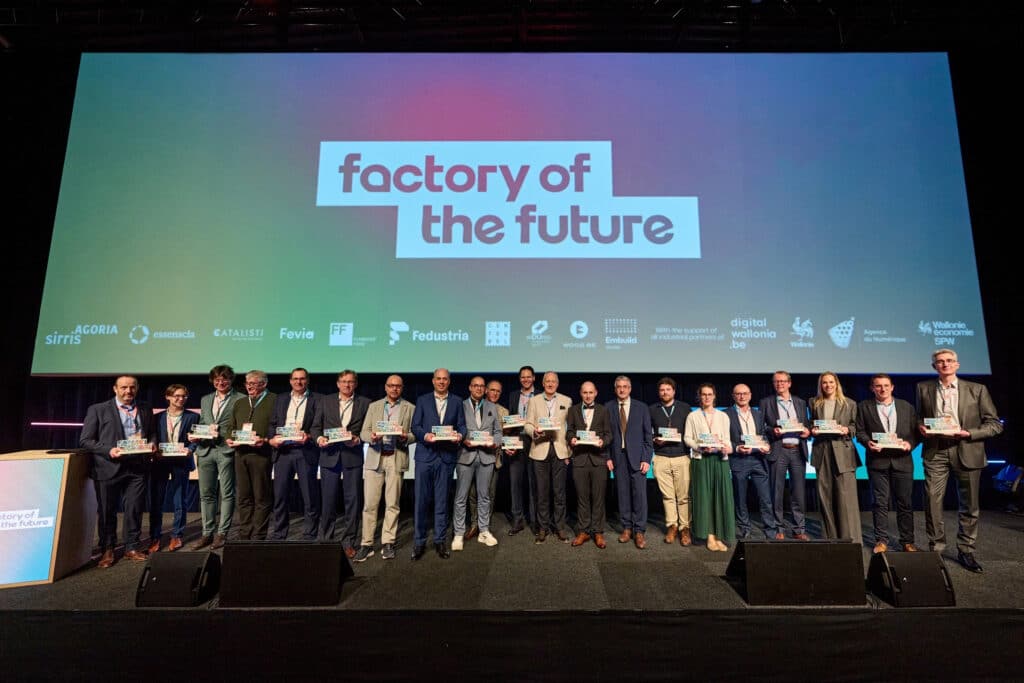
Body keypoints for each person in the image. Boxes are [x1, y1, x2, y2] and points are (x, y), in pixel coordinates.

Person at [916, 348, 1003, 573]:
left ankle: (966, 549)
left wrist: (969, 433)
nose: (945, 364)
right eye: (940, 361)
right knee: (932, 500)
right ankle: (936, 549)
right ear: (934, 366)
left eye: (949, 360)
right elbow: (919, 418)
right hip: (936, 450)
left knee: (969, 504)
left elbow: (994, 424)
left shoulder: (977, 389)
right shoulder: (923, 388)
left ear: (957, 364)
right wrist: (921, 427)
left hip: (967, 448)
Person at [79, 375, 156, 567]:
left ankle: (131, 547)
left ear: (137, 388)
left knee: (134, 510)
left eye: (132, 387)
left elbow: (151, 433)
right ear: (115, 389)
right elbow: (86, 440)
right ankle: (107, 549)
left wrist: (153, 444)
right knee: (107, 511)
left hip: (137, 467)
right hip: (108, 467)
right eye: (123, 387)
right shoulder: (98, 409)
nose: (128, 391)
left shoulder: (146, 408)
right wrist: (109, 450)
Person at [855, 373, 920, 553]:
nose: (882, 389)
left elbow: (916, 433)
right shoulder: (864, 407)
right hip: (877, 461)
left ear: (892, 387)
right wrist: (867, 443)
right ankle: (881, 540)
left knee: (905, 503)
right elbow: (860, 432)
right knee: (879, 502)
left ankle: (907, 541)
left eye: (886, 385)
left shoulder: (906, 406)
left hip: (902, 461)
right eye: (878, 386)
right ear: (872, 388)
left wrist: (910, 444)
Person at [355, 375, 415, 561]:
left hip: (395, 457)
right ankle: (366, 544)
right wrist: (372, 437)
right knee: (369, 505)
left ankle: (388, 542)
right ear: (385, 387)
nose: (394, 389)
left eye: (398, 386)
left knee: (393, 504)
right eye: (391, 385)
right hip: (375, 458)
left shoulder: (410, 407)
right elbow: (364, 432)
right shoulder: (374, 406)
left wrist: (405, 437)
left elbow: (414, 434)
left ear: (402, 388)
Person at [311, 370, 370, 556]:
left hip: (352, 456)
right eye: (344, 381)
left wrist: (358, 439)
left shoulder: (365, 403)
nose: (347, 385)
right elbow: (315, 427)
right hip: (329, 455)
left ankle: (348, 542)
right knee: (328, 501)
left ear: (356, 384)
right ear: (338, 384)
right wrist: (319, 438)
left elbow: (367, 430)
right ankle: (325, 540)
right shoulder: (325, 401)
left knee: (352, 502)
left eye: (351, 382)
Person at [410, 368, 466, 560]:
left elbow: (462, 426)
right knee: (421, 502)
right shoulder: (422, 400)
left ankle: (440, 541)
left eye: (445, 379)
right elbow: (415, 426)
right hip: (425, 457)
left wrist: (459, 436)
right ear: (433, 381)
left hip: (446, 458)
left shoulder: (457, 401)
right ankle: (419, 542)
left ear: (449, 381)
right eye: (438, 379)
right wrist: (425, 435)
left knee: (442, 502)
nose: (442, 382)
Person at [190, 365, 243, 550]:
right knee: (206, 494)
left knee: (227, 493)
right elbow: (203, 422)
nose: (221, 382)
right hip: (205, 450)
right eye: (217, 379)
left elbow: (241, 425)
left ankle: (222, 533)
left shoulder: (240, 399)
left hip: (226, 450)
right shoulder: (206, 399)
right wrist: (197, 434)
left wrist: (224, 433)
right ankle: (207, 533)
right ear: (212, 381)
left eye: (224, 379)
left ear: (231, 380)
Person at [268, 368, 322, 541]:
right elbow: (273, 423)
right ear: (290, 381)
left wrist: (309, 436)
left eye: (302, 379)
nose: (299, 382)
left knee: (310, 496)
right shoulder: (281, 398)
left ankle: (309, 534)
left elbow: (319, 425)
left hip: (305, 451)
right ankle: (279, 534)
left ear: (307, 380)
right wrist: (271, 439)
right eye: (295, 379)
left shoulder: (318, 399)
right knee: (280, 496)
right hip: (283, 452)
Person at [809, 371, 862, 545]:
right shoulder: (814, 402)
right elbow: (812, 424)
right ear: (820, 385)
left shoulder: (849, 403)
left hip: (843, 452)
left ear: (836, 383)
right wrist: (812, 430)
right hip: (822, 451)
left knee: (846, 498)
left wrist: (847, 430)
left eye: (831, 382)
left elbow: (855, 427)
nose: (828, 385)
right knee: (825, 498)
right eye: (824, 382)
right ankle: (830, 541)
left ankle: (851, 541)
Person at [452, 377, 503, 551]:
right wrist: (463, 440)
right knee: (461, 497)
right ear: (470, 387)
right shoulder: (461, 405)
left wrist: (494, 442)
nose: (479, 389)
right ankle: (459, 533)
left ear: (485, 389)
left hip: (486, 457)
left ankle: (484, 531)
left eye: (482, 386)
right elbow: (456, 428)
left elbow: (498, 432)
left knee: (484, 497)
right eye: (476, 386)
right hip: (466, 456)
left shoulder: (491, 407)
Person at [759, 371, 812, 540]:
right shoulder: (766, 402)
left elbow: (806, 424)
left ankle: (799, 529)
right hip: (778, 449)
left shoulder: (800, 402)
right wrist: (772, 430)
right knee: (776, 492)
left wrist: (807, 432)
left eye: (782, 381)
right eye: (776, 382)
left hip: (797, 450)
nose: (779, 384)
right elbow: (761, 427)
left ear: (789, 383)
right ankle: (778, 528)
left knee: (798, 493)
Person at [684, 383, 735, 551]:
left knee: (720, 497)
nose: (706, 397)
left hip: (719, 461)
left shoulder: (723, 416)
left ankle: (720, 535)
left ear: (714, 396)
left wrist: (726, 448)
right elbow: (687, 438)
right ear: (699, 397)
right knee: (704, 498)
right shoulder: (693, 416)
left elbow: (727, 439)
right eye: (703, 394)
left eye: (709, 394)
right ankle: (710, 536)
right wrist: (699, 447)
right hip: (701, 461)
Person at [147, 384, 198, 553]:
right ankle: (155, 537)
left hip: (181, 461)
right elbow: (152, 437)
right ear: (168, 397)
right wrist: (154, 448)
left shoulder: (193, 416)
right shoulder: (157, 417)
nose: (180, 399)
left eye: (184, 396)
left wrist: (190, 449)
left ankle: (177, 535)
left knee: (180, 501)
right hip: (160, 461)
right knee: (157, 501)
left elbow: (195, 439)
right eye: (177, 396)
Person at [225, 370, 275, 541]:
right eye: (248, 383)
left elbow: (279, 427)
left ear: (264, 384)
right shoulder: (240, 403)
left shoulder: (274, 400)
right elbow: (230, 426)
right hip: (241, 454)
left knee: (261, 497)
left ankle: (258, 536)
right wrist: (229, 438)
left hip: (261, 454)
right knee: (244, 497)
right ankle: (244, 534)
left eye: (254, 383)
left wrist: (265, 440)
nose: (250, 387)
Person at [524, 371, 573, 544]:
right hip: (539, 449)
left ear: (557, 384)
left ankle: (560, 527)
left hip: (560, 450)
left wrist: (569, 451)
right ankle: (543, 528)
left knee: (559, 492)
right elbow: (528, 424)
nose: (551, 384)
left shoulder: (566, 400)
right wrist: (534, 432)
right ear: (543, 383)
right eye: (548, 381)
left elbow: (570, 427)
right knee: (542, 492)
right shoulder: (534, 400)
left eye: (554, 381)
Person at [606, 375, 653, 549]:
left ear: (630, 389)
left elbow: (648, 437)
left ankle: (639, 530)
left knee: (639, 496)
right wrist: (607, 457)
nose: (622, 389)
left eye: (625, 386)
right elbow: (606, 435)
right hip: (618, 458)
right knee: (623, 494)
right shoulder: (608, 407)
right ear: (615, 389)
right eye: (619, 386)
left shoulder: (642, 407)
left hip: (638, 459)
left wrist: (646, 459)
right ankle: (626, 528)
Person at [726, 383, 777, 540]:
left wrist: (766, 446)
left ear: (750, 395)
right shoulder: (726, 414)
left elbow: (763, 435)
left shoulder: (758, 414)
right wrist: (737, 447)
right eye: (738, 394)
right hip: (738, 460)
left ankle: (770, 530)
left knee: (765, 498)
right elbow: (724, 438)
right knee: (740, 498)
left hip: (758, 460)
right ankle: (744, 529)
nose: (742, 396)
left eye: (745, 393)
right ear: (733, 396)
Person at [565, 381, 612, 549]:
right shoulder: (573, 410)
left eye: (591, 392)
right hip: (580, 459)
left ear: (596, 393)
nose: (588, 395)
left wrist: (602, 441)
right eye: (585, 392)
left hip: (598, 459)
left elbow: (608, 434)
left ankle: (598, 531)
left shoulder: (603, 410)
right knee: (582, 497)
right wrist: (571, 438)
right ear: (581, 393)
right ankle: (583, 531)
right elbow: (569, 431)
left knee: (598, 498)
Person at [649, 377, 693, 545]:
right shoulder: (652, 409)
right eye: (662, 390)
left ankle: (685, 528)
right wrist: (655, 439)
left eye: (668, 389)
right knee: (667, 496)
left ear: (674, 391)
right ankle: (672, 526)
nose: (665, 392)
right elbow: (648, 433)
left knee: (684, 497)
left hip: (682, 457)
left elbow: (691, 432)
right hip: (661, 457)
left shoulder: (685, 408)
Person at [464, 380, 507, 539]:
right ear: (486, 391)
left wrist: (506, 445)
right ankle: (474, 524)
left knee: (489, 494)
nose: (495, 393)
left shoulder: (504, 411)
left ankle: (485, 526)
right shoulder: (472, 406)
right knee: (472, 493)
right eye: (492, 390)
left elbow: (505, 436)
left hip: (492, 458)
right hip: (471, 456)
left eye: (498, 391)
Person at [505, 365, 537, 535]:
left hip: (535, 442)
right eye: (523, 377)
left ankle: (534, 520)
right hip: (516, 441)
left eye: (528, 376)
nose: (526, 379)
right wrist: (508, 444)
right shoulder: (513, 396)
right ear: (520, 379)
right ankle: (517, 520)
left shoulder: (540, 395)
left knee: (534, 483)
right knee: (515, 483)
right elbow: (508, 423)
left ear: (534, 378)